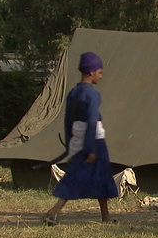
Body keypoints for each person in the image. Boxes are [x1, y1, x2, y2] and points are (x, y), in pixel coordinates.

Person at [43, 52, 119, 225]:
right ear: (91, 72)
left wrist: (71, 141)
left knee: (78, 175)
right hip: (94, 141)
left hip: (78, 139)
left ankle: (105, 216)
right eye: (99, 72)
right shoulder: (92, 94)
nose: (101, 75)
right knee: (97, 176)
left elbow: (68, 119)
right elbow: (92, 121)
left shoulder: (73, 93)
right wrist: (91, 148)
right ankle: (54, 211)